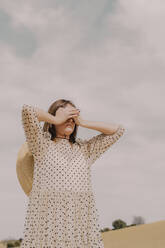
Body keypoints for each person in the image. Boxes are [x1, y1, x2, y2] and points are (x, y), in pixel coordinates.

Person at [20, 99, 125, 248]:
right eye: (65, 115)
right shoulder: (41, 145)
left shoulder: (85, 149)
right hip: (50, 225)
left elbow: (118, 130)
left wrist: (83, 122)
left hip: (79, 225)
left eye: (73, 116)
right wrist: (56, 118)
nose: (69, 120)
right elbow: (27, 111)